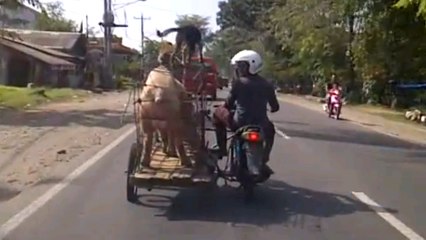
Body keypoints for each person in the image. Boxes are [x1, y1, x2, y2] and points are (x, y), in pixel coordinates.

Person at [212, 50, 280, 178]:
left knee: (217, 115)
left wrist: (224, 107)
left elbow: (228, 104)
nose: (238, 69)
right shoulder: (267, 84)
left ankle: (222, 149)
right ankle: (264, 158)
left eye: (241, 66)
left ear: (252, 66)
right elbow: (275, 107)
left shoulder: (239, 83)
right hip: (261, 124)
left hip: (239, 123)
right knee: (270, 131)